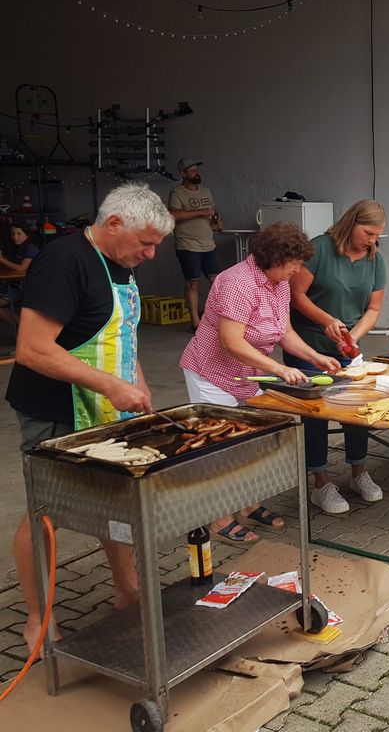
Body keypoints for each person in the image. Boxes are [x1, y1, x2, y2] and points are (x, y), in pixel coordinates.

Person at [7, 183, 173, 654]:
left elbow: (122, 336)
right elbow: (33, 349)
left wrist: (138, 386)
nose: (151, 252)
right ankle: (38, 619)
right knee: (47, 512)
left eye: (156, 244)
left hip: (107, 408)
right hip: (55, 409)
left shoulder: (120, 264)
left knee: (113, 501)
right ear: (114, 223)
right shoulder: (63, 263)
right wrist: (110, 386)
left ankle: (128, 591)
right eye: (145, 242)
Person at [180, 223, 341, 543]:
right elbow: (230, 342)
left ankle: (246, 505)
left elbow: (283, 331)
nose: (298, 270)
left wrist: (315, 357)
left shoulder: (278, 282)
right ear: (276, 258)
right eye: (294, 263)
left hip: (246, 374)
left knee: (252, 443)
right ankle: (217, 519)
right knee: (219, 449)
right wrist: (278, 369)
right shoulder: (237, 283)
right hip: (213, 374)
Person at [287, 200, 387, 513]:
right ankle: (321, 482)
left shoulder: (375, 259)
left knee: (355, 408)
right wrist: (326, 321)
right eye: (368, 232)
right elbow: (296, 294)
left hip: (347, 349)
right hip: (307, 345)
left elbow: (373, 309)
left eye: (377, 234)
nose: (372, 239)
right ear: (351, 222)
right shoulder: (320, 249)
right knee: (316, 412)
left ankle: (359, 472)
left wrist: (351, 338)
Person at [168, 158, 222, 331]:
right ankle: (196, 323)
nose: (196, 172)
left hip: (209, 244)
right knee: (193, 283)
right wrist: (201, 212)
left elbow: (212, 210)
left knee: (217, 282)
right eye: (191, 170)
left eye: (197, 169)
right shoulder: (177, 193)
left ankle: (220, 319)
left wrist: (216, 219)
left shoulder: (205, 191)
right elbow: (174, 214)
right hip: (188, 245)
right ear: (183, 174)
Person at [0, 221, 39, 327]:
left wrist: (2, 259)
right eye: (13, 234)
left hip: (24, 288)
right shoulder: (18, 249)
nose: (15, 237)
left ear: (27, 235)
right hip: (14, 286)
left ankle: (21, 326)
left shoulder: (31, 248)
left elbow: (22, 268)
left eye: (19, 234)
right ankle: (20, 326)